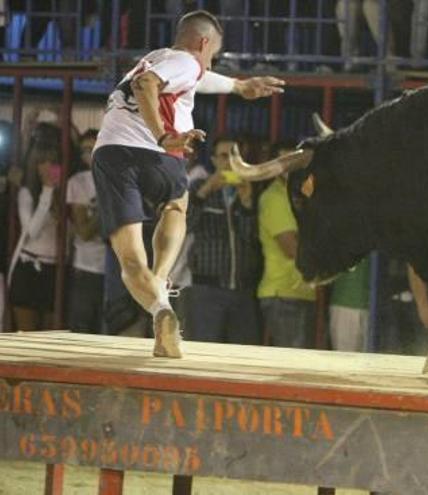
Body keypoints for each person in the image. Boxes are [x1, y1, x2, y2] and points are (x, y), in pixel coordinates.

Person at [91, 10, 284, 358]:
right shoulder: (185, 62)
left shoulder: (155, 59)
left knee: (131, 262)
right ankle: (162, 274)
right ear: (204, 43)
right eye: (213, 55)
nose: (210, 64)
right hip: (158, 152)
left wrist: (239, 86)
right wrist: (164, 135)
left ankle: (160, 305)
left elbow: (189, 77)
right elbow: (148, 84)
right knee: (176, 204)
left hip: (110, 153)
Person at [184, 136, 262, 344]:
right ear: (213, 160)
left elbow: (252, 238)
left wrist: (247, 204)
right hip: (207, 289)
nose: (230, 162)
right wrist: (205, 192)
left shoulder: (251, 188)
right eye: (224, 156)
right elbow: (185, 226)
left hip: (243, 290)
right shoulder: (198, 186)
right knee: (205, 351)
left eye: (235, 156)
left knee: (243, 354)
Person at [258, 141, 316, 348]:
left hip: (298, 292)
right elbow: (291, 248)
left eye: (296, 162)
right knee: (294, 362)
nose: (292, 168)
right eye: (286, 163)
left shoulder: (299, 195)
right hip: (282, 294)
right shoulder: (275, 197)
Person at [8, 147, 60, 330]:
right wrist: (47, 190)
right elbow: (32, 231)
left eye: (53, 163)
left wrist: (54, 191)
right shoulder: (27, 193)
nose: (48, 168)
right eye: (42, 163)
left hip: (54, 269)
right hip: (29, 267)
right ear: (35, 166)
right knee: (26, 334)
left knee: (50, 335)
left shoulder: (64, 194)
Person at [66, 129, 106, 333]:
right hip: (87, 267)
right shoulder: (78, 181)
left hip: (116, 268)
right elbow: (84, 232)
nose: (88, 155)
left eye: (93, 149)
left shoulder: (120, 179)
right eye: (84, 150)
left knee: (110, 330)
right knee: (83, 329)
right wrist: (106, 204)